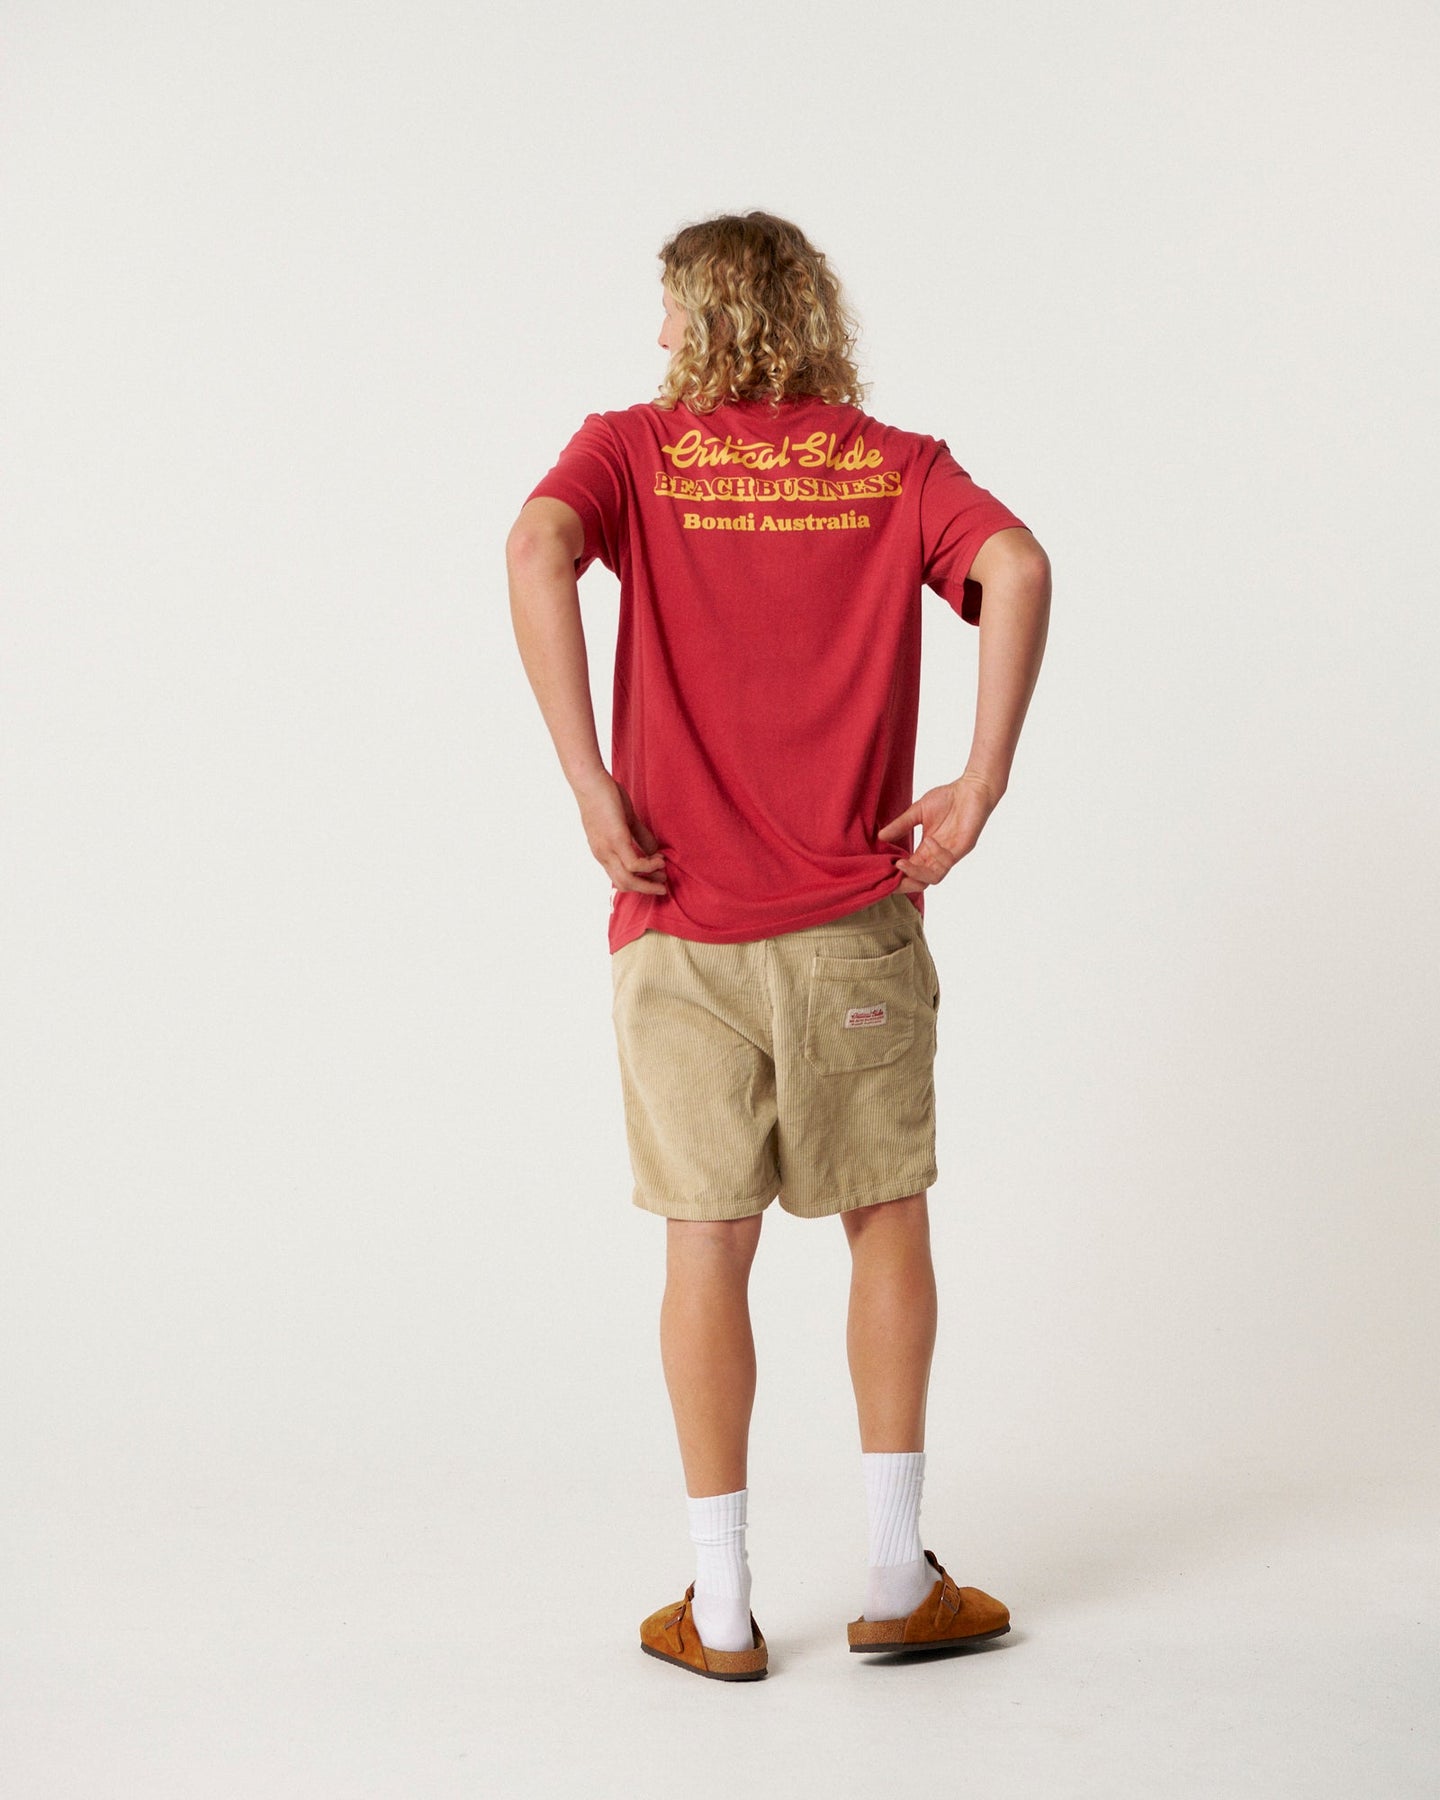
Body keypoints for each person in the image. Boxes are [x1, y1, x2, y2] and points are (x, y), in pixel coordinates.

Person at [506, 210, 1051, 1681]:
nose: (656, 338)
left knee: (707, 1242)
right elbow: (1017, 564)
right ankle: (894, 1573)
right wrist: (980, 784)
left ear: (708, 318)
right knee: (886, 1221)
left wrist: (590, 785)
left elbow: (536, 544)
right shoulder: (897, 468)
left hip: (677, 922)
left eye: (669, 310)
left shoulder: (631, 451)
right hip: (852, 927)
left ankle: (724, 1602)